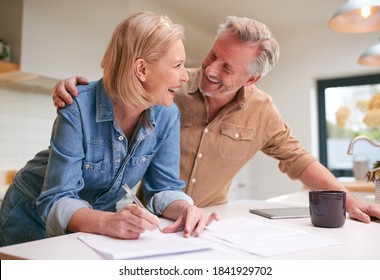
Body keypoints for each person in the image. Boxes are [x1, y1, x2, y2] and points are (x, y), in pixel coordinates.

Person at [52, 15, 380, 224]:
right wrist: (82, 89)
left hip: (210, 219)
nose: (210, 70)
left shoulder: (261, 111)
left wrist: (349, 200)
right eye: (213, 54)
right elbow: (121, 88)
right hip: (149, 218)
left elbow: (298, 160)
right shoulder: (170, 89)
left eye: (227, 67)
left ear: (251, 79)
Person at [0, 11, 218, 247]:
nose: (185, 76)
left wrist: (186, 208)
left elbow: (164, 188)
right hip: (30, 217)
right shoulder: (77, 106)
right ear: (142, 69)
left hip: (97, 224)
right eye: (177, 65)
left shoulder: (168, 115)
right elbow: (57, 198)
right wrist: (107, 222)